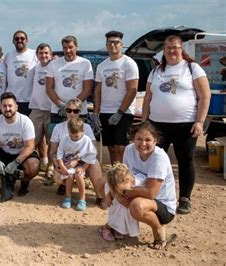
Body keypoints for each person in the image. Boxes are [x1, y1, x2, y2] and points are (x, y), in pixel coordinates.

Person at [142, 35, 211, 214]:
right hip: (157, 125)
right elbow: (148, 97)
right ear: (163, 50)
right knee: (156, 160)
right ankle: (158, 194)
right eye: (168, 48)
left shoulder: (192, 68)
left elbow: (205, 96)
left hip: (185, 125)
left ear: (182, 49)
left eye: (175, 47)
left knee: (185, 160)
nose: (171, 51)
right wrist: (144, 121)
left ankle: (184, 198)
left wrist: (200, 121)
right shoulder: (156, 71)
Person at [117, 122, 177, 250]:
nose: (143, 144)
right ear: (133, 138)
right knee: (111, 189)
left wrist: (125, 192)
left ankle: (158, 229)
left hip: (163, 205)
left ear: (155, 141)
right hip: (138, 192)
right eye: (139, 139)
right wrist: (118, 193)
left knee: (137, 206)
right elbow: (124, 177)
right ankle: (117, 226)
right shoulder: (129, 150)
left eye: (148, 140)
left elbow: (151, 193)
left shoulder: (159, 158)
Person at [0, 92, 40, 202]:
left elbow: (30, 146)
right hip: (4, 152)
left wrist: (16, 162)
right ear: (1, 108)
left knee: (33, 165)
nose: (7, 109)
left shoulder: (25, 121)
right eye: (4, 106)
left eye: (10, 106)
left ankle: (24, 181)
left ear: (16, 107)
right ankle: (6, 179)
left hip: (21, 154)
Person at [49, 98, 106, 209]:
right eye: (69, 110)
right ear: (65, 111)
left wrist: (79, 162)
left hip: (83, 161)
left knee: (94, 163)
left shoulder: (87, 128)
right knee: (57, 177)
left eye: (76, 111)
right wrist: (58, 165)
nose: (72, 113)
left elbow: (93, 151)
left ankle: (99, 196)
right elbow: (53, 152)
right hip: (65, 161)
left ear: (80, 112)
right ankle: (65, 186)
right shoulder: (58, 128)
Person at [93, 31, 139, 164]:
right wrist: (96, 113)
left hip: (123, 113)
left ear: (121, 45)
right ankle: (115, 174)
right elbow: (97, 90)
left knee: (121, 148)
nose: (112, 45)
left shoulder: (129, 63)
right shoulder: (102, 66)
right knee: (112, 148)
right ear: (106, 45)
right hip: (105, 111)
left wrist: (120, 112)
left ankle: (123, 176)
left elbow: (132, 90)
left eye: (116, 42)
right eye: (110, 42)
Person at [46, 36, 93, 128]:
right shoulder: (53, 64)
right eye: (65, 48)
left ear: (76, 47)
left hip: (78, 112)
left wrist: (72, 107)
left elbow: (87, 89)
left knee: (78, 140)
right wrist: (61, 105)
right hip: (58, 111)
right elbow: (49, 88)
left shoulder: (85, 63)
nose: (68, 50)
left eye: (70, 47)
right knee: (56, 140)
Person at [54, 118, 97, 211]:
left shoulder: (87, 140)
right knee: (69, 176)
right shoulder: (65, 139)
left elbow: (92, 155)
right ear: (68, 131)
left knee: (78, 175)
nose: (73, 138)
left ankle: (82, 199)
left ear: (83, 131)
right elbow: (60, 152)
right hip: (68, 162)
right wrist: (62, 165)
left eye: (76, 136)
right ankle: (68, 197)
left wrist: (83, 167)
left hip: (82, 162)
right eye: (71, 135)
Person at [99, 163, 143, 241]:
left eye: (124, 189)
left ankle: (118, 230)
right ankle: (106, 228)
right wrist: (107, 195)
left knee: (127, 217)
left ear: (128, 179)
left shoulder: (138, 180)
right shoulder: (115, 182)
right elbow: (107, 184)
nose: (123, 191)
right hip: (117, 203)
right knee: (116, 216)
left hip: (129, 203)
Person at [28, 43, 53, 177]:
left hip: (51, 110)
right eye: (41, 53)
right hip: (36, 109)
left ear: (50, 54)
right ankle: (33, 167)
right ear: (37, 55)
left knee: (52, 142)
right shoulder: (34, 68)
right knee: (32, 141)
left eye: (46, 53)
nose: (43, 55)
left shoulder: (55, 66)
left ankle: (50, 168)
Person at [3, 30, 38, 116]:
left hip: (29, 101)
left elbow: (46, 62)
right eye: (17, 38)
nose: (19, 40)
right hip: (12, 100)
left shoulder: (35, 54)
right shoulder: (8, 56)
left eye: (22, 38)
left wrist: (54, 58)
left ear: (27, 40)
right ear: (13, 41)